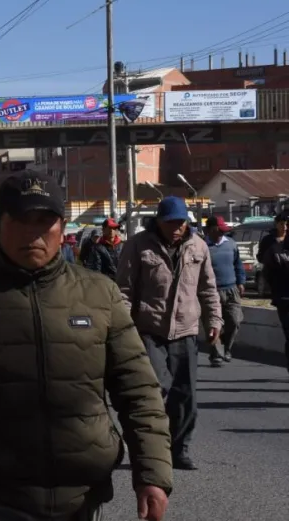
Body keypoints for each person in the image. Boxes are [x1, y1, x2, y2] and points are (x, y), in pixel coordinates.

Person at [0, 172, 172, 521]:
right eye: (20, 221)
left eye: (44, 222)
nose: (33, 233)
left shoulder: (99, 294)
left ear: (62, 229)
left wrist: (152, 474)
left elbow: (139, 392)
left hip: (83, 494)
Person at [117, 195, 222, 471]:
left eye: (181, 222)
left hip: (186, 330)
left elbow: (208, 287)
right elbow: (124, 290)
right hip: (149, 329)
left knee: (185, 394)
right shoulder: (138, 246)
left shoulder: (198, 246)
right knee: (153, 390)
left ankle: (180, 448)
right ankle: (149, 448)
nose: (176, 228)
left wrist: (214, 320)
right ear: (159, 222)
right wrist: (122, 329)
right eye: (171, 222)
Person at [204, 216, 245, 367]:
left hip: (231, 289)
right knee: (213, 324)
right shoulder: (203, 246)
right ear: (209, 230)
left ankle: (226, 348)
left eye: (223, 230)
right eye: (218, 230)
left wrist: (241, 282)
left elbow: (238, 264)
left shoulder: (231, 244)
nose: (221, 233)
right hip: (211, 291)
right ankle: (216, 354)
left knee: (235, 321)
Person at [259, 211, 289, 373]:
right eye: (282, 223)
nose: (284, 227)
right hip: (282, 295)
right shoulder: (270, 242)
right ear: (276, 224)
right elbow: (264, 264)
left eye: (287, 224)